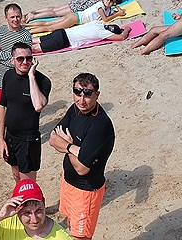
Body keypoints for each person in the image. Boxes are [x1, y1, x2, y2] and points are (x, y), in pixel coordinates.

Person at [48, 73, 115, 240]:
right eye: (77, 92)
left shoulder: (100, 125)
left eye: (87, 94)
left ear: (97, 95)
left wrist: (68, 145)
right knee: (71, 227)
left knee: (81, 236)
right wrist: (74, 149)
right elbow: (53, 138)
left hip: (86, 191)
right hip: (68, 183)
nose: (81, 100)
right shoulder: (75, 109)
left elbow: (82, 168)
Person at [0, 43, 50, 182]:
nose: (25, 62)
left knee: (28, 184)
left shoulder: (43, 81)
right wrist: (1, 139)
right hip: (10, 137)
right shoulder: (8, 76)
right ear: (12, 60)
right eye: (20, 58)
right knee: (16, 176)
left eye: (29, 58)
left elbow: (38, 105)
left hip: (28, 141)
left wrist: (31, 76)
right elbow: (2, 106)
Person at [0, 179, 71, 240]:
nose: (34, 219)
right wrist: (0, 215)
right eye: (27, 213)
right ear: (17, 211)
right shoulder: (8, 224)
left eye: (38, 211)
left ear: (44, 204)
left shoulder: (61, 237)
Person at [0, 4, 33, 108]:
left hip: (18, 78)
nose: (15, 19)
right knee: (0, 107)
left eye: (18, 16)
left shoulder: (26, 35)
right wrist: (13, 57)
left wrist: (1, 55)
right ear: (6, 17)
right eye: (12, 17)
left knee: (17, 107)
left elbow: (24, 60)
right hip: (1, 77)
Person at [26, 0, 124, 35]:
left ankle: (26, 25)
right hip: (75, 19)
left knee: (48, 23)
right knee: (50, 28)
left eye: (111, 1)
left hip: (75, 15)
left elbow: (112, 12)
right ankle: (29, 32)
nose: (108, 1)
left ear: (113, 3)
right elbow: (105, 19)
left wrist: (117, 9)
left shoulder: (107, 9)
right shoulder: (100, 6)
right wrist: (118, 14)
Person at [31, 22, 131, 54]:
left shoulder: (97, 23)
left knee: (35, 40)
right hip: (63, 40)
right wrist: (127, 29)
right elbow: (122, 37)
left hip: (61, 31)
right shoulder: (102, 33)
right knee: (35, 48)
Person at [22, 0, 114, 23]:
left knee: (54, 9)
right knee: (55, 13)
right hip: (80, 8)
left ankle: (34, 12)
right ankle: (33, 16)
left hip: (79, 2)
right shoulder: (105, 1)